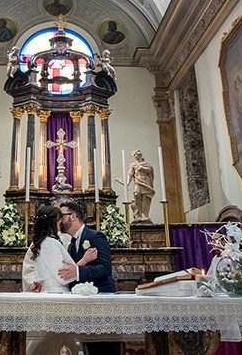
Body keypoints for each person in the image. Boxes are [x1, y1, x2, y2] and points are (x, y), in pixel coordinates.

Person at [22, 206, 99, 355]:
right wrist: (84, 260)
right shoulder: (50, 243)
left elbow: (55, 270)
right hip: (55, 299)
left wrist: (73, 267)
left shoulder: (47, 242)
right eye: (59, 219)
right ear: (53, 222)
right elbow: (62, 276)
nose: (61, 222)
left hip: (53, 296)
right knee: (56, 343)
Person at [57, 201, 118, 355]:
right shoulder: (71, 244)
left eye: (61, 216)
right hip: (85, 304)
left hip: (101, 302)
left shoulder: (95, 236)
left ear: (73, 216)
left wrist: (78, 271)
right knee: (91, 348)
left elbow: (105, 268)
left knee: (106, 350)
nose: (59, 220)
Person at [126, 150, 155, 222]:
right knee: (136, 195)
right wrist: (127, 183)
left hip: (146, 181)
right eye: (134, 155)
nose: (135, 156)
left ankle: (145, 214)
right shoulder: (132, 164)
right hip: (137, 182)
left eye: (137, 155)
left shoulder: (146, 164)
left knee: (145, 197)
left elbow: (150, 170)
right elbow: (130, 174)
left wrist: (142, 168)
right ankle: (138, 215)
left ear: (140, 155)